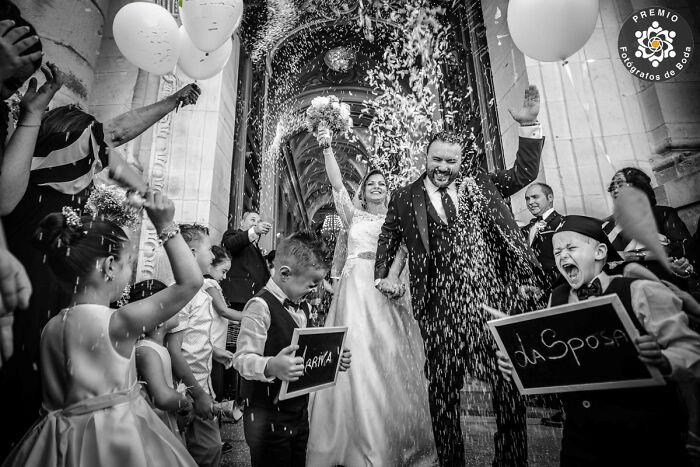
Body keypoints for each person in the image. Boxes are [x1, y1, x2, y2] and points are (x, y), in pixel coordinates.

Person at [0, 85, 202, 456]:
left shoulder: (41, 174)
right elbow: (118, 133)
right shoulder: (64, 148)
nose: (99, 160)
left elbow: (120, 157)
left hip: (40, 302)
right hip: (33, 284)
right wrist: (165, 223)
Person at [375, 85, 544, 466]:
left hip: (492, 305)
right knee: (443, 395)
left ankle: (511, 462)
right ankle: (451, 462)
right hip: (438, 311)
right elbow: (390, 235)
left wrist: (530, 125)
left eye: (451, 161)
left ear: (461, 161)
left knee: (507, 388)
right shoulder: (405, 196)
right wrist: (383, 276)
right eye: (437, 159)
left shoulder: (480, 184)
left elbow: (523, 173)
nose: (443, 168)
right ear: (426, 155)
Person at [4, 192, 201, 466]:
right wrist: (165, 224)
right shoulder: (119, 323)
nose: (129, 273)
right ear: (109, 266)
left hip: (55, 443)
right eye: (128, 264)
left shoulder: (50, 327)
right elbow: (191, 282)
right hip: (113, 442)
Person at [498, 215, 700, 466]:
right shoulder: (556, 299)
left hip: (644, 436)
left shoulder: (640, 290)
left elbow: (691, 350)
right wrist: (520, 365)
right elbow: (560, 357)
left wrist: (665, 361)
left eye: (571, 248)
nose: (562, 256)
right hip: (580, 438)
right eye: (557, 251)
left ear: (600, 251)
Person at [306, 128, 437, 465]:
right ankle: (350, 434)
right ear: (363, 191)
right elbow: (337, 185)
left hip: (383, 288)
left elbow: (404, 253)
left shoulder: (397, 219)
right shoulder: (353, 215)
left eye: (381, 183)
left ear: (387, 190)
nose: (376, 186)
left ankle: (388, 432)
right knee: (354, 351)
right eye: (370, 184)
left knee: (387, 353)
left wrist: (398, 283)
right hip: (354, 288)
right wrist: (326, 147)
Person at [233, 231, 351, 467]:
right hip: (266, 418)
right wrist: (271, 366)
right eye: (311, 284)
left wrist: (330, 359)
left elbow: (303, 354)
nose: (314, 290)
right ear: (285, 274)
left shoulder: (304, 308)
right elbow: (241, 359)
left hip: (298, 414)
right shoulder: (260, 306)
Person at [165, 224, 228, 467]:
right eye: (209, 250)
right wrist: (198, 394)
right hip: (187, 388)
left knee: (203, 448)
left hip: (202, 381)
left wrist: (215, 351)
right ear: (191, 253)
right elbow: (174, 348)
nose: (213, 256)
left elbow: (194, 337)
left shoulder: (201, 292)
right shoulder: (183, 295)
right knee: (204, 449)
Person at [604, 167, 696, 286]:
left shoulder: (662, 214)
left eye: (622, 185)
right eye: (612, 187)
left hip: (663, 285)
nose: (616, 190)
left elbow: (683, 247)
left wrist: (631, 256)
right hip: (626, 289)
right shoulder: (606, 226)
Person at [132, 279, 193, 442]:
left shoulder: (157, 347)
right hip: (156, 428)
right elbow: (163, 398)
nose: (178, 308)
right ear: (157, 319)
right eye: (171, 305)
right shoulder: (146, 351)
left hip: (165, 422)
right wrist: (184, 402)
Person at [204, 245, 242, 419]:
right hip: (212, 343)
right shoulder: (209, 283)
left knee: (217, 387)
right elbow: (223, 311)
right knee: (214, 388)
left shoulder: (211, 283)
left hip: (216, 343)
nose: (224, 277)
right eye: (223, 271)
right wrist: (251, 316)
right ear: (211, 265)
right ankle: (212, 431)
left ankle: (214, 430)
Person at [221, 211, 272, 310]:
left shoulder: (256, 247)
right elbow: (231, 244)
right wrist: (255, 230)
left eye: (259, 221)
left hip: (254, 300)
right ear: (242, 222)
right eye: (252, 220)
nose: (256, 223)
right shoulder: (232, 234)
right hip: (237, 298)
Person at [522, 182, 564, 289]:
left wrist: (544, 289)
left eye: (535, 197)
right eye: (527, 199)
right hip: (529, 293)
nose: (530, 202)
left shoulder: (562, 223)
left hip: (556, 291)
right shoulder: (525, 230)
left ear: (550, 198)